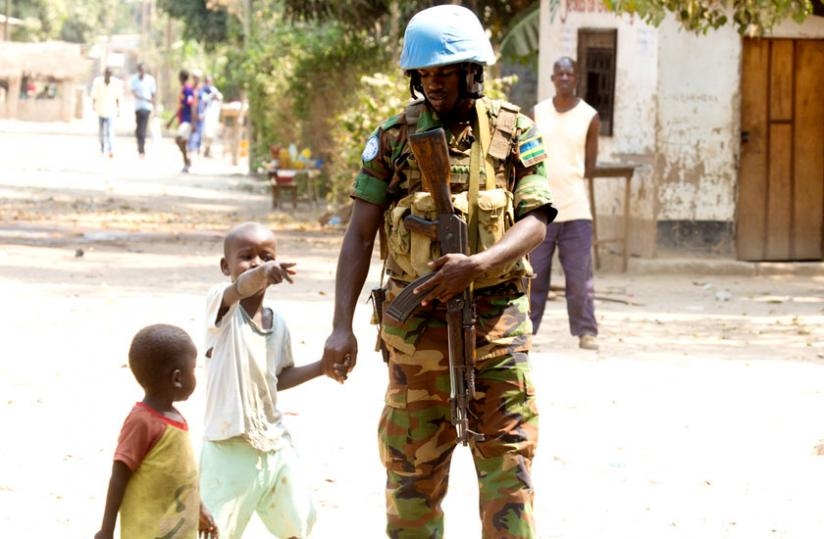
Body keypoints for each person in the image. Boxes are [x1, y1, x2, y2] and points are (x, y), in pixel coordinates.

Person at [320, 5, 556, 537]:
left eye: (445, 73)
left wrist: (477, 265)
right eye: (425, 75)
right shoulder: (394, 138)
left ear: (473, 72)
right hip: (417, 337)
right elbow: (360, 234)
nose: (435, 86)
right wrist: (341, 325)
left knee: (508, 478)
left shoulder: (513, 131)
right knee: (411, 479)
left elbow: (537, 219)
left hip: (496, 334)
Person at [200, 221, 345, 538]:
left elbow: (276, 378)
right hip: (229, 444)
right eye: (246, 256)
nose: (257, 263)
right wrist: (261, 274)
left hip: (274, 443)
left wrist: (323, 367)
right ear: (226, 266)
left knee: (299, 520)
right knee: (217, 528)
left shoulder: (277, 323)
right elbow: (241, 288)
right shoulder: (221, 309)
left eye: (266, 257)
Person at [95, 324, 218, 539]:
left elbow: (183, 477)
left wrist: (199, 508)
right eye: (194, 368)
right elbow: (118, 476)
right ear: (177, 378)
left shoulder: (176, 419)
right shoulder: (142, 421)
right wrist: (106, 531)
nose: (195, 374)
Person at [529, 56, 601, 350]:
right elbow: (529, 158)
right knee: (533, 276)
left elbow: (590, 165)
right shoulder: (537, 113)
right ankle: (525, 331)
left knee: (579, 278)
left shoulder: (589, 116)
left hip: (575, 210)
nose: (564, 78)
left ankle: (586, 332)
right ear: (552, 78)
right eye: (559, 73)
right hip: (541, 210)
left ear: (576, 78)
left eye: (569, 73)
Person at [166, 69, 196, 173]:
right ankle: (187, 161)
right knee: (182, 141)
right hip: (182, 119)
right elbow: (180, 107)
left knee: (179, 139)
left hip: (187, 119)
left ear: (181, 78)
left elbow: (191, 105)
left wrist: (193, 122)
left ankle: (187, 160)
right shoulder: (183, 90)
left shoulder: (188, 90)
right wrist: (171, 120)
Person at [91, 67, 122, 158]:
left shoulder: (115, 83)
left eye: (109, 74)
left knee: (110, 131)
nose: (108, 76)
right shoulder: (98, 82)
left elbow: (118, 97)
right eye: (106, 74)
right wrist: (93, 105)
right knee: (101, 131)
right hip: (100, 110)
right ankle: (102, 147)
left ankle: (110, 149)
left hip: (111, 111)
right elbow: (94, 95)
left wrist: (118, 109)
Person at [129, 62, 156, 158]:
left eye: (143, 69)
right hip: (138, 107)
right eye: (140, 69)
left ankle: (142, 149)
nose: (142, 71)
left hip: (147, 108)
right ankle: (139, 145)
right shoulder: (134, 80)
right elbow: (133, 92)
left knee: (143, 129)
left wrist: (152, 102)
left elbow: (153, 93)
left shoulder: (150, 80)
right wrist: (143, 98)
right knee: (138, 129)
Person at [200, 75, 224, 158]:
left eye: (209, 81)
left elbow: (220, 98)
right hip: (205, 114)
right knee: (205, 133)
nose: (208, 83)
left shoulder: (214, 90)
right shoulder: (203, 90)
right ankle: (203, 150)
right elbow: (203, 100)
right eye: (207, 81)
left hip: (213, 114)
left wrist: (215, 96)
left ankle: (208, 150)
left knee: (212, 133)